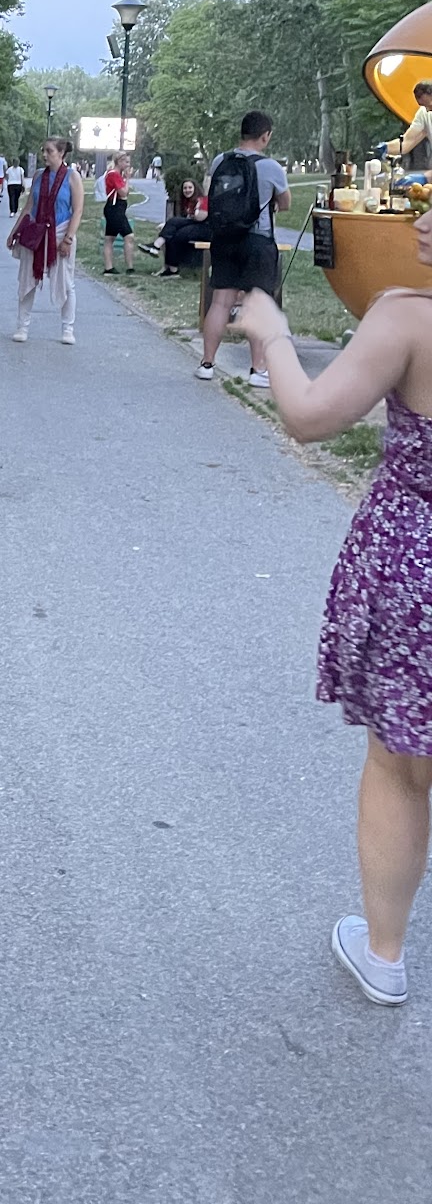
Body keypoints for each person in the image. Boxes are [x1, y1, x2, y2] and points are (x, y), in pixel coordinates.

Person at [235, 232, 432, 1008]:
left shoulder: (409, 320)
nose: (420, 213)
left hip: (416, 574)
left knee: (402, 767)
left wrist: (273, 333)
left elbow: (310, 417)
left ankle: (384, 954)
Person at [196, 112, 290, 388]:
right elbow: (285, 203)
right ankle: (257, 369)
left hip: (224, 238)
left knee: (220, 302)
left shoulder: (220, 161)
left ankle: (207, 364)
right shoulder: (271, 167)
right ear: (265, 136)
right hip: (257, 241)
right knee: (257, 304)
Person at [8, 135, 83, 345]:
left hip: (60, 231)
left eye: (49, 151)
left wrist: (68, 239)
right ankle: (22, 326)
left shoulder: (72, 177)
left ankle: (68, 329)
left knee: (65, 282)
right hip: (35, 232)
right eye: (43, 150)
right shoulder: (39, 175)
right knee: (27, 279)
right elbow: (29, 206)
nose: (44, 155)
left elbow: (77, 210)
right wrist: (14, 232)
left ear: (61, 153)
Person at [145, 178, 208, 276]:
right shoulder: (186, 201)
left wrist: (197, 209)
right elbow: (184, 219)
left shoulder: (202, 200)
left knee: (174, 226)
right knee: (171, 233)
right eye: (185, 188)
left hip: (203, 228)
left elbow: (200, 218)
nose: (187, 190)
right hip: (192, 227)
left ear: (195, 188)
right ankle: (171, 269)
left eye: (190, 187)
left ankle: (157, 246)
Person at [101, 152, 136, 275]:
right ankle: (130, 267)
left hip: (114, 208)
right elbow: (124, 193)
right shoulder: (114, 175)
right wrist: (128, 179)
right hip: (115, 208)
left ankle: (108, 267)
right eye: (126, 162)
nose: (128, 165)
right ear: (119, 161)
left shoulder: (115, 174)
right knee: (129, 236)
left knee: (109, 238)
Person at [391, 81, 432, 172]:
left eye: (430, 105)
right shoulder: (424, 113)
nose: (428, 110)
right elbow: (407, 141)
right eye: (424, 106)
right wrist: (385, 148)